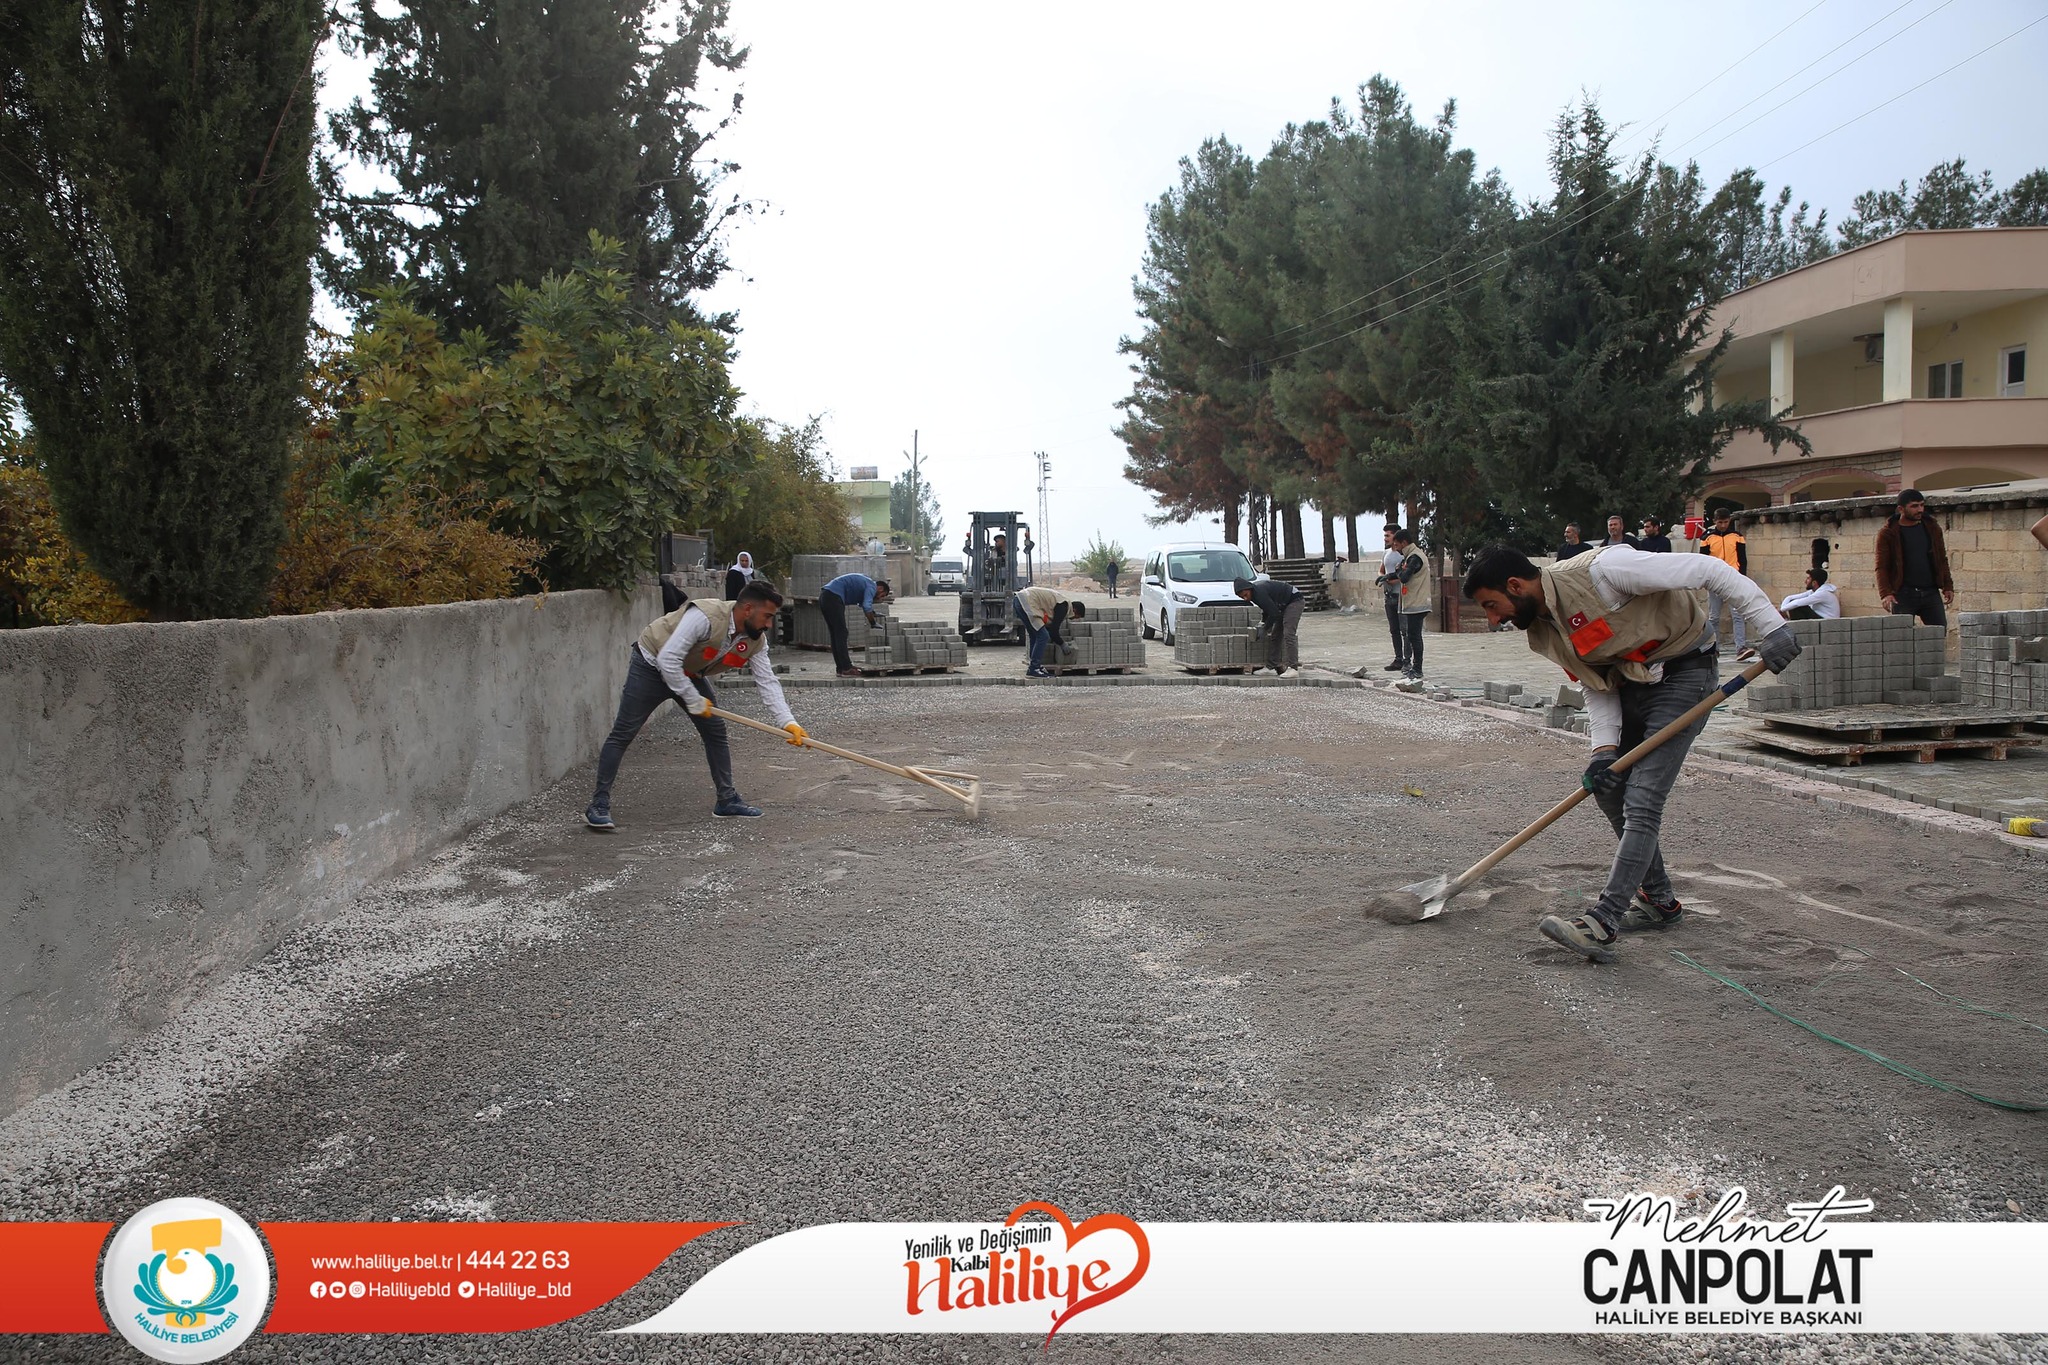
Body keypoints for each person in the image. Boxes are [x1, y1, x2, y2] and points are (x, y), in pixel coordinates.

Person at [1461, 543, 1800, 963]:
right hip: (1630, 686)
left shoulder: (1607, 572)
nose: (1495, 620)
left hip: (1684, 675)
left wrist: (1772, 627)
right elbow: (1594, 683)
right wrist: (1603, 752)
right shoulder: (1543, 631)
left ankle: (1604, 921)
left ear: (1515, 585)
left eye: (1493, 606)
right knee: (1608, 787)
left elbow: (1711, 570)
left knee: (1643, 798)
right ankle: (1659, 902)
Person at [584, 582, 805, 830]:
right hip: (652, 665)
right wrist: (692, 699)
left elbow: (767, 682)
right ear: (747, 609)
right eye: (767, 616)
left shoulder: (756, 641)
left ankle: (726, 800)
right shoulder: (704, 616)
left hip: (689, 673)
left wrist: (788, 722)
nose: (769, 624)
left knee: (715, 732)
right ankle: (598, 804)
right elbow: (668, 659)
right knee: (623, 732)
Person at [1876, 488, 1954, 626]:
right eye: (1914, 506)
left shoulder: (1932, 528)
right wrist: (1885, 594)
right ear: (1901, 509)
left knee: (1938, 633)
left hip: (1930, 592)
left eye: (1922, 505)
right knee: (1902, 637)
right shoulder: (1888, 533)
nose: (1920, 510)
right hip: (1903, 594)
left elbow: (1941, 559)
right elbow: (1882, 566)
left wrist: (1948, 586)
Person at [818, 572, 893, 678]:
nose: (880, 598)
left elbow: (864, 604)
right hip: (833, 597)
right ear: (880, 588)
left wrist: (874, 613)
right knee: (841, 633)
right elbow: (867, 606)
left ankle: (841, 668)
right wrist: (873, 623)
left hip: (825, 596)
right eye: (882, 595)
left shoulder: (866, 583)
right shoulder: (871, 586)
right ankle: (846, 668)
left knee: (836, 634)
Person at [1697, 509, 1750, 652]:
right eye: (1720, 522)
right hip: (1715, 579)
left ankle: (1741, 646)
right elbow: (1703, 560)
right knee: (1714, 616)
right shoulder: (1706, 537)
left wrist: (1742, 577)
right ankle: (1714, 646)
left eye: (1726, 522)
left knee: (1737, 614)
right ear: (1715, 521)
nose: (1723, 525)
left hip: (1733, 578)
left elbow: (1742, 559)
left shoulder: (1737, 536)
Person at [1235, 576, 1304, 675]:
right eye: (1242, 597)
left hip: (1294, 600)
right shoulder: (1253, 595)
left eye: (1245, 595)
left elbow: (1274, 614)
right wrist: (1262, 624)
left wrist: (1265, 628)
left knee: (1288, 633)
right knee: (1275, 636)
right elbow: (1267, 609)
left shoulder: (1259, 592)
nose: (1245, 598)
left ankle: (1293, 668)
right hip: (1281, 605)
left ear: (1249, 588)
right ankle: (1271, 667)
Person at [1014, 584, 1085, 677]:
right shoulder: (1064, 606)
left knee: (1035, 635)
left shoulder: (1060, 602)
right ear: (1074, 610)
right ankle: (1034, 668)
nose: (1073, 619)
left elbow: (1050, 626)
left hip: (1019, 599)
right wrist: (1062, 644)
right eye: (1076, 617)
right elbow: (1053, 631)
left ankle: (1035, 666)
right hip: (1028, 601)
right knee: (1043, 636)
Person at [1390, 527, 1432, 684]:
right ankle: (1415, 667)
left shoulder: (1415, 557)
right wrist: (1389, 575)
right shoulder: (1410, 556)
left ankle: (1417, 669)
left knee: (1414, 637)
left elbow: (1405, 576)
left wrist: (1399, 571)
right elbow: (1401, 572)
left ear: (1404, 542)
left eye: (1397, 545)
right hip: (1413, 603)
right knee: (1412, 636)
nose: (1397, 549)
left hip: (1417, 603)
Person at [1376, 523, 1409, 671]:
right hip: (1388, 596)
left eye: (1387, 535)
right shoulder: (1386, 553)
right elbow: (1381, 570)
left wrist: (1391, 579)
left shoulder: (1403, 554)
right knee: (1394, 630)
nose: (1385, 539)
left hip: (1401, 596)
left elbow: (1406, 575)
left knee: (1405, 630)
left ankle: (1407, 660)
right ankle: (1398, 659)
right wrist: (1382, 577)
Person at [1775, 567, 1840, 621]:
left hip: (1827, 623)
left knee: (1797, 607)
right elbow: (1790, 597)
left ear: (1814, 583)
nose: (1805, 581)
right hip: (1820, 620)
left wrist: (1781, 610)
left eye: (1808, 579)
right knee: (1792, 604)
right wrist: (1782, 609)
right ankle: (1788, 621)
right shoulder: (1814, 591)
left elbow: (1797, 603)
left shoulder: (1823, 593)